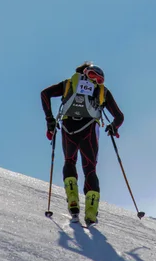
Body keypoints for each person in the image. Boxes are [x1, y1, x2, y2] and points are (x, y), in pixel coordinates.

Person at [41, 61, 124, 225]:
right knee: (90, 169)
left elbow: (45, 94)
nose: (95, 81)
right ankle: (91, 213)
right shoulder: (102, 91)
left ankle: (72, 201)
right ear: (86, 73)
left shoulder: (68, 84)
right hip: (89, 130)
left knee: (69, 161)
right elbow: (119, 116)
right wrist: (113, 127)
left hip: (68, 127)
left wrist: (50, 120)